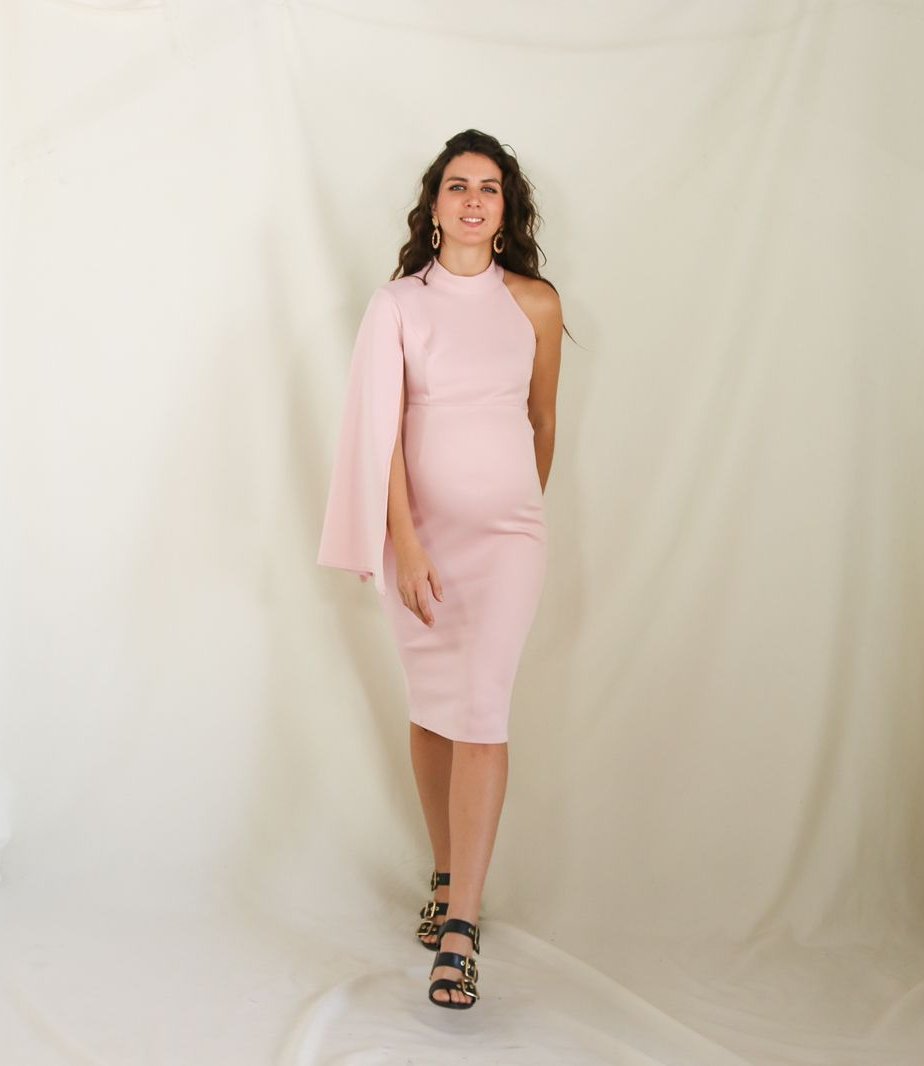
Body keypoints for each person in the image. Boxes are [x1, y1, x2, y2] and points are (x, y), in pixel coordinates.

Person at [317, 129, 565, 1009]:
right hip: (417, 539)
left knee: (483, 713)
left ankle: (461, 928)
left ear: (506, 208)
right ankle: (448, 871)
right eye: (457, 186)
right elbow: (380, 431)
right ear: (433, 205)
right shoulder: (398, 305)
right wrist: (411, 543)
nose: (472, 200)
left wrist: (511, 510)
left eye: (488, 188)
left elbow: (542, 422)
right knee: (434, 710)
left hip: (508, 542)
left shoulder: (535, 303)